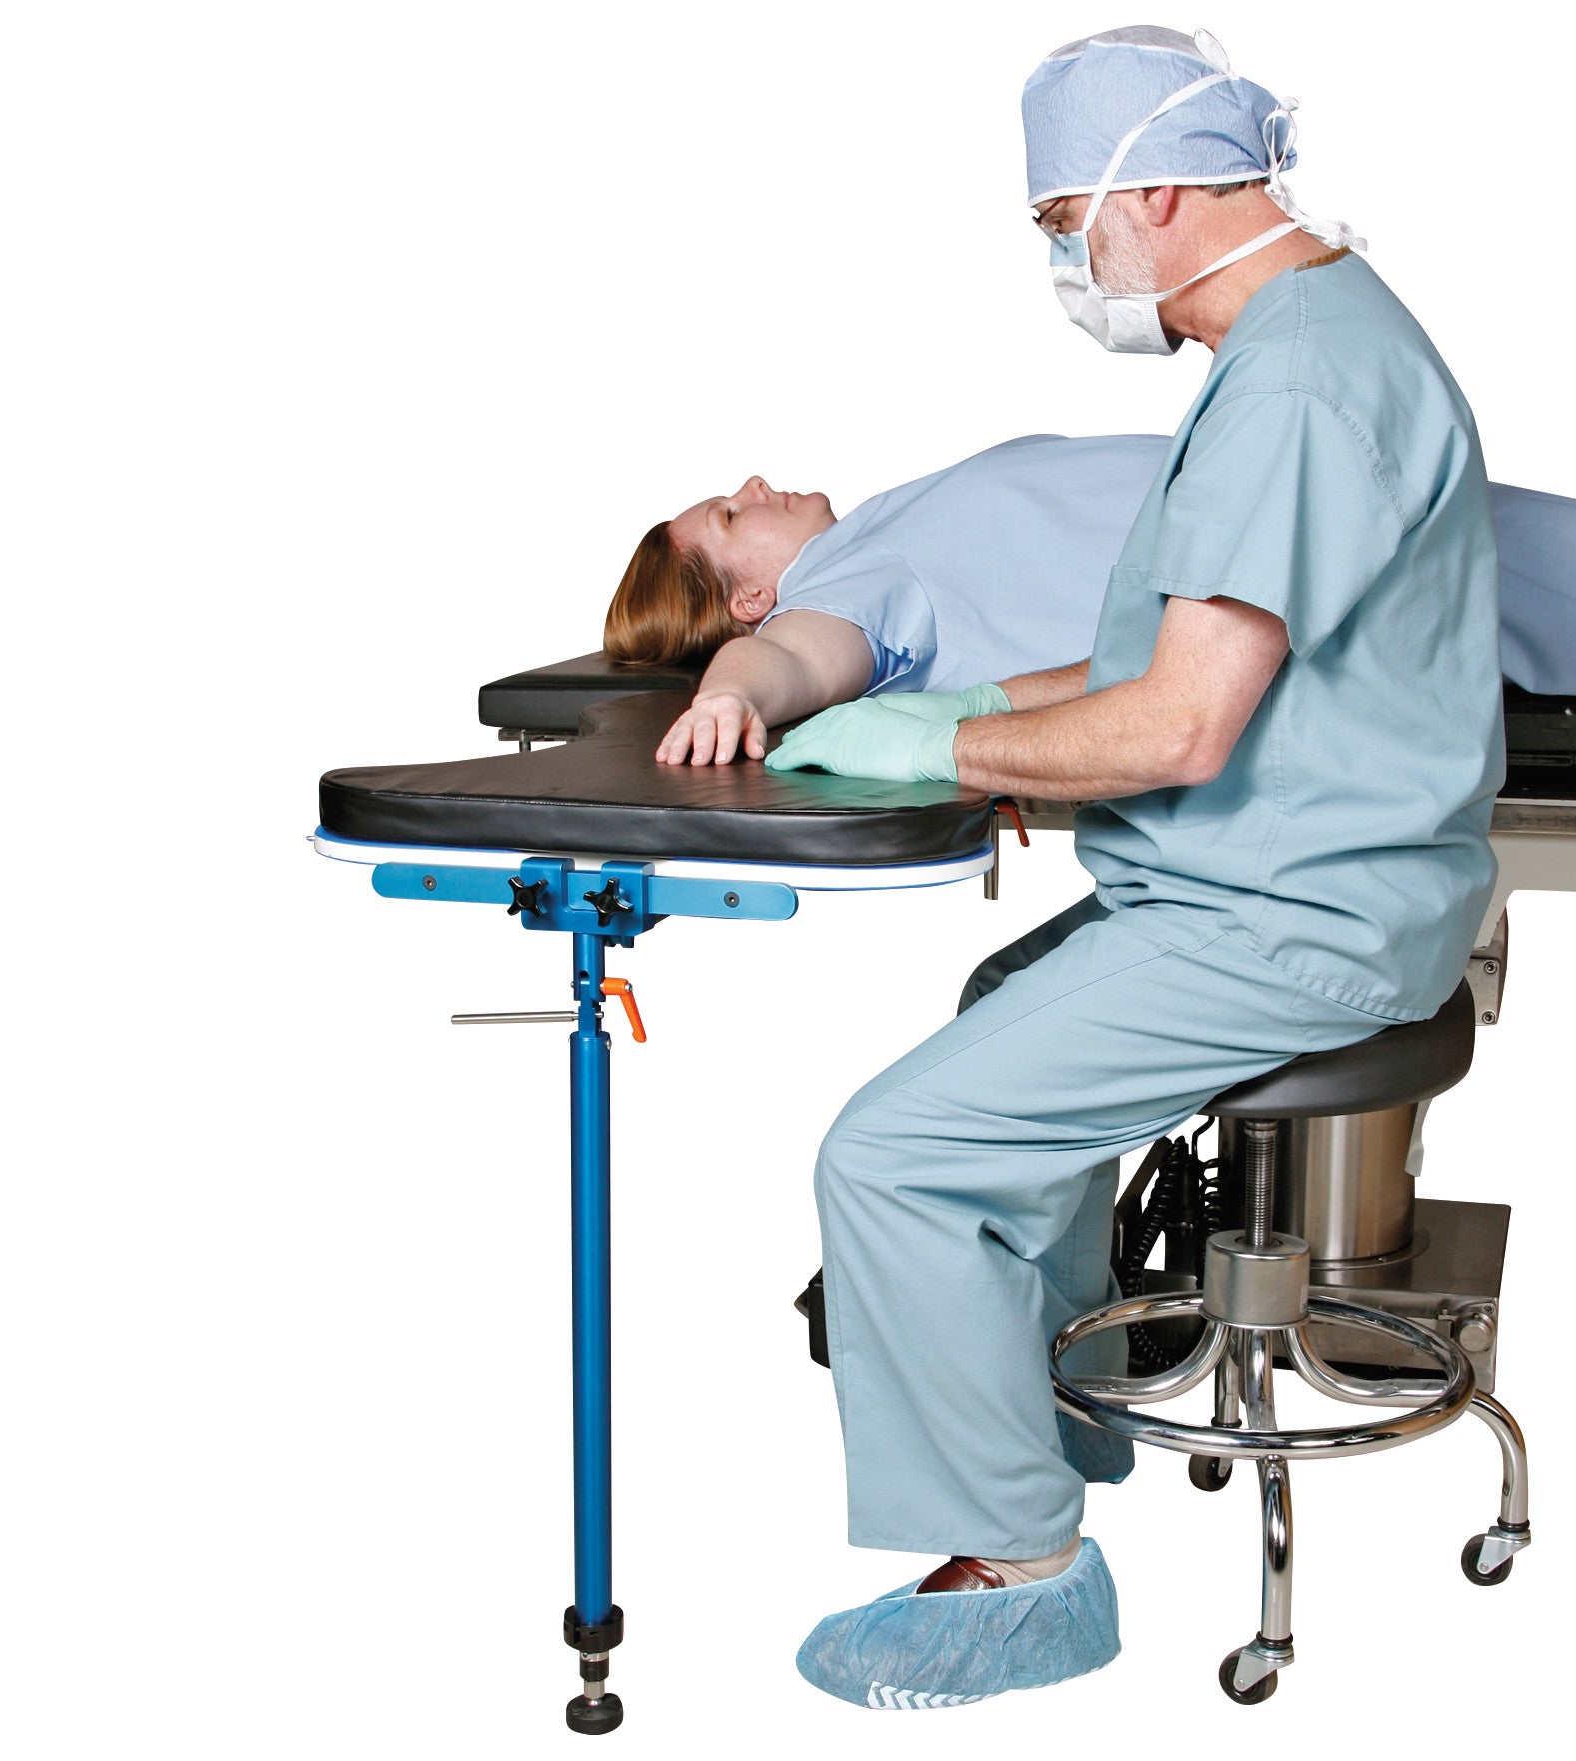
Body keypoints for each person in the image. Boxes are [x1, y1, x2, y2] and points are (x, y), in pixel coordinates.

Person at [757, 26, 1508, 1710]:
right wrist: (945, 704)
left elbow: (1174, 728)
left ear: (1153, 193)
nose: (1061, 262)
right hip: (1278, 878)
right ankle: (1051, 1404)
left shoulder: (1302, 378)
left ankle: (1020, 1566)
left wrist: (937, 753)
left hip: (1299, 916)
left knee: (892, 1153)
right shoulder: (1281, 358)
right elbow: (1136, 666)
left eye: (1060, 223)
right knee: (992, 1003)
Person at [607, 448, 1568, 768]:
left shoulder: (872, 534)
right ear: (749, 599)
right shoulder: (840, 587)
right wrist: (729, 699)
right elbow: (797, 659)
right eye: (731, 514)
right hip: (1371, 566)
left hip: (1351, 510)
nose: (755, 480)